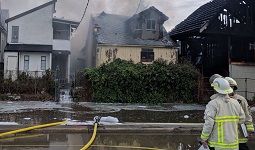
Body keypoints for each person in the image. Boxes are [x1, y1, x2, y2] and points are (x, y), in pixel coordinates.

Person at [200, 77, 245, 150]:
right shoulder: (236, 103)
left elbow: (209, 124)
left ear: (215, 89)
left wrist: (203, 138)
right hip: (233, 144)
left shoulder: (213, 104)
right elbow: (242, 119)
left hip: (218, 145)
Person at [225, 77, 254, 150]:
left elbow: (248, 116)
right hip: (225, 135)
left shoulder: (241, 100)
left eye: (232, 88)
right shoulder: (219, 101)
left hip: (240, 135)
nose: (230, 90)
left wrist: (249, 130)